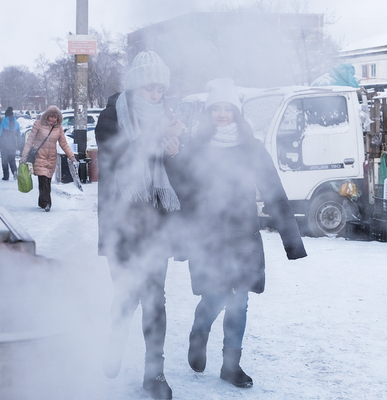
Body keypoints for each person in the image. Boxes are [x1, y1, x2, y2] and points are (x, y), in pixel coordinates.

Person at [166, 78, 307, 389]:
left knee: (239, 300)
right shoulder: (196, 148)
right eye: (215, 108)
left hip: (243, 235)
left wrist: (292, 242)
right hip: (208, 235)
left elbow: (274, 193)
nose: (221, 114)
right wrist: (173, 158)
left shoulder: (252, 149)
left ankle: (231, 365)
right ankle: (199, 332)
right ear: (208, 113)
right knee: (215, 296)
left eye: (227, 108)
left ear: (236, 111)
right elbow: (182, 189)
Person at [94, 51, 183, 400]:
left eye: (161, 89)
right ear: (134, 86)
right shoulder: (111, 117)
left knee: (155, 299)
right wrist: (153, 140)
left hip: (156, 223)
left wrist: (175, 152)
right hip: (121, 222)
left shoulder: (168, 118)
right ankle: (115, 344)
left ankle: (154, 374)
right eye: (150, 88)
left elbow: (179, 177)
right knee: (126, 294)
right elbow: (114, 155)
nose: (156, 95)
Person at [20, 105, 76, 212]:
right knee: (43, 180)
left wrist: (71, 156)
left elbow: (63, 143)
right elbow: (30, 141)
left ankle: (42, 201)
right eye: (51, 117)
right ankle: (47, 203)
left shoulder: (58, 128)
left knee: (47, 182)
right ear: (47, 116)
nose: (53, 119)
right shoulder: (38, 124)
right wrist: (24, 155)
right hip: (39, 157)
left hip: (51, 159)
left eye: (55, 117)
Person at [0, 107, 21, 180]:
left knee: (4, 160)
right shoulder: (16, 123)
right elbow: (19, 135)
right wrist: (20, 144)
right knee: (12, 159)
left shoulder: (3, 122)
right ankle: (15, 171)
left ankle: (6, 176)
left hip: (4, 144)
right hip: (13, 144)